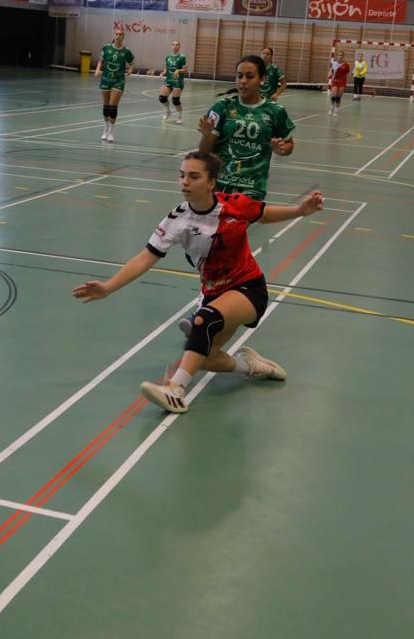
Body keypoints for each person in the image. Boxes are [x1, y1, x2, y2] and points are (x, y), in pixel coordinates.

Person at [72, 151, 324, 414]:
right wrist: (108, 287)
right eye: (182, 176)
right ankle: (252, 366)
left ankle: (176, 390)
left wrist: (299, 210)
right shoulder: (176, 220)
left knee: (203, 321)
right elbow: (145, 258)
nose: (185, 182)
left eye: (193, 176)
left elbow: (263, 214)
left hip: (247, 288)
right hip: (214, 294)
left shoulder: (234, 205)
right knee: (206, 357)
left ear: (211, 182)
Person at [197, 53, 295, 201]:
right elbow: (204, 151)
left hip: (252, 188)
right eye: (239, 76)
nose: (243, 81)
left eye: (249, 76)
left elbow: (289, 145)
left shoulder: (276, 111)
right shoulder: (222, 107)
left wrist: (280, 149)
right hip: (219, 184)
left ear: (262, 79)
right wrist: (206, 135)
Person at [94, 30, 135, 143]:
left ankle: (111, 131)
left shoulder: (126, 51)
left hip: (118, 81)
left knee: (113, 106)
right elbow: (100, 61)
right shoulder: (106, 48)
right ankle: (105, 128)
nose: (118, 36)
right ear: (114, 35)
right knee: (106, 106)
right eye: (116, 34)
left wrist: (130, 70)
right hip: (106, 79)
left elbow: (132, 64)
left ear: (123, 37)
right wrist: (98, 70)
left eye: (120, 34)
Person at [159, 40, 188, 124]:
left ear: (179, 47)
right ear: (171, 46)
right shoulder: (168, 57)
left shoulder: (182, 57)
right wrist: (164, 72)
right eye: (173, 44)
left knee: (175, 100)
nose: (175, 46)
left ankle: (180, 117)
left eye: (177, 45)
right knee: (162, 98)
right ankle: (168, 111)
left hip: (177, 81)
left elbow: (185, 70)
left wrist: (178, 70)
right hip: (168, 80)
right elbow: (166, 67)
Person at [328, 51, 351, 116]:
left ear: (343, 57)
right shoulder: (333, 63)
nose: (340, 56)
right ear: (337, 56)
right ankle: (331, 108)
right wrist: (330, 74)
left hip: (342, 82)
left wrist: (344, 76)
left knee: (338, 97)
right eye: (339, 55)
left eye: (341, 55)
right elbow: (331, 71)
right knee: (334, 96)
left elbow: (347, 73)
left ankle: (336, 111)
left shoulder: (346, 65)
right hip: (335, 81)